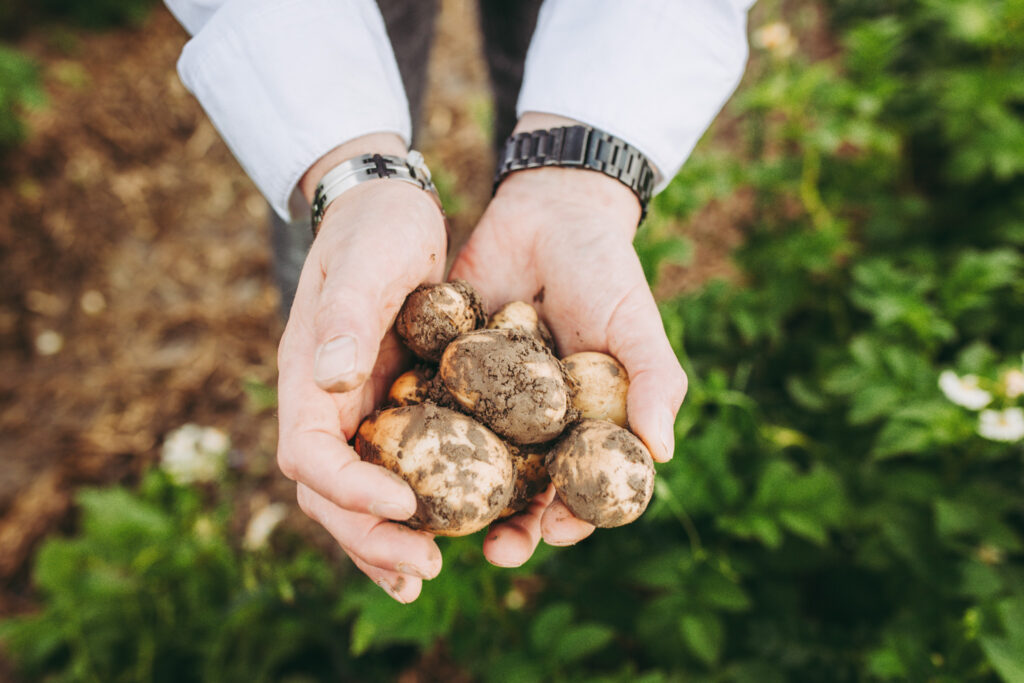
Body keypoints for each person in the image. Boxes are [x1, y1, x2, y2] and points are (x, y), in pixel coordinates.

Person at [165, 0, 753, 603]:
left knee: (530, 51)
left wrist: (579, 172)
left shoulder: (525, 397)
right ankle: (344, 588)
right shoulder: (476, 375)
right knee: (344, 284)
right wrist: (347, 172)